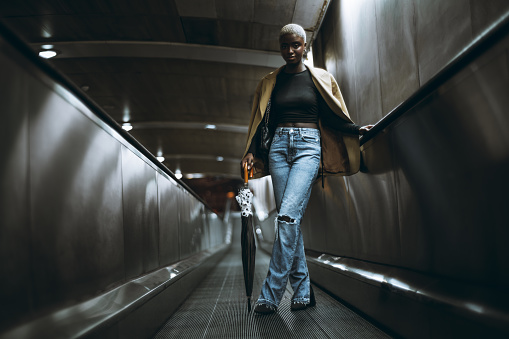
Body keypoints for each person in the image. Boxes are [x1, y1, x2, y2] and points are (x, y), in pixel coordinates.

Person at [240, 23, 373, 314]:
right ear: (280, 47)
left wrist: (356, 129)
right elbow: (262, 122)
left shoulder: (318, 78)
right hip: (277, 149)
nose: (290, 51)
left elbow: (332, 114)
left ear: (304, 45)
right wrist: (251, 151)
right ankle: (302, 291)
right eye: (285, 46)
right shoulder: (270, 82)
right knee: (291, 220)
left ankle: (271, 294)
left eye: (296, 45)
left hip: (308, 148)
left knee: (287, 217)